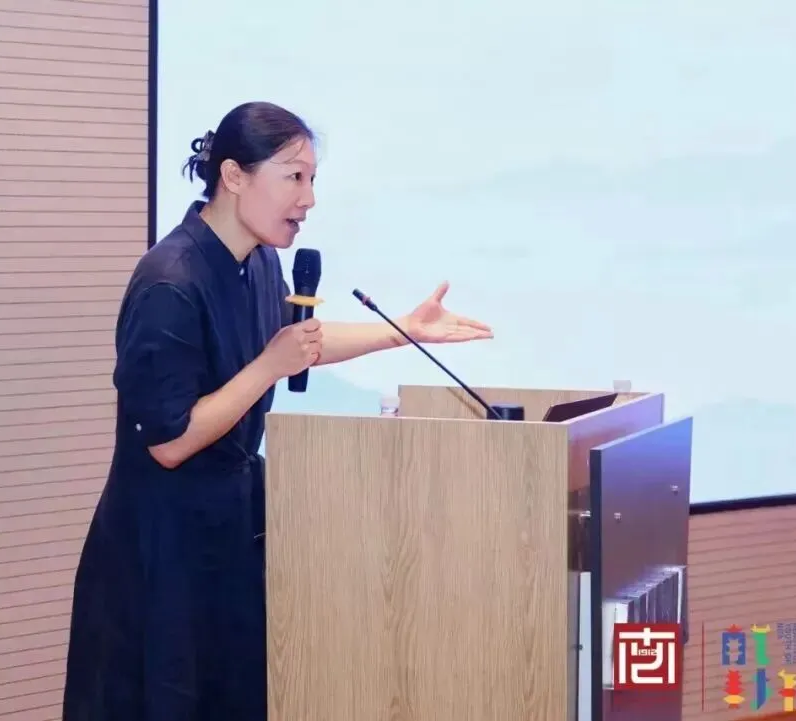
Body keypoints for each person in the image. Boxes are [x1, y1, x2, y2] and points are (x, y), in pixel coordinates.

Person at [61, 101, 494, 721]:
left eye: (312, 179)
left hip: (231, 535)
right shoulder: (169, 282)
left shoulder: (259, 262)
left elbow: (297, 343)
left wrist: (403, 330)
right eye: (294, 177)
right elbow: (171, 440)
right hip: (159, 554)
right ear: (233, 176)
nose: (308, 198)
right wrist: (270, 365)